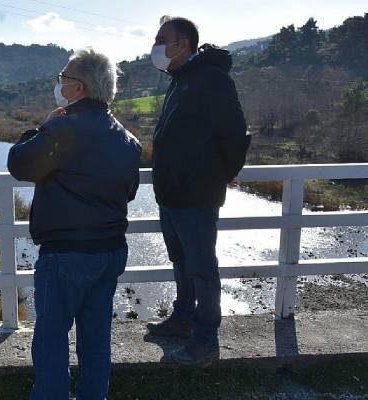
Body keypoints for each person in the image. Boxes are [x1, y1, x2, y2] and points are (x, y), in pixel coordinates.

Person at [8, 48, 142, 400]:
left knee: (52, 340)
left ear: (78, 88)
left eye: (62, 79)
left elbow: (20, 164)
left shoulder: (64, 128)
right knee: (96, 342)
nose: (59, 84)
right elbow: (128, 192)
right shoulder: (127, 140)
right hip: (110, 251)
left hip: (66, 254)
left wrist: (45, 125)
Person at [145, 16, 251, 365]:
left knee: (202, 269)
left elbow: (235, 136)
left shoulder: (211, 80)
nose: (156, 46)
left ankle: (206, 341)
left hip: (196, 196)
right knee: (181, 262)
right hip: (171, 194)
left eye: (162, 39)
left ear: (183, 44)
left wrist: (219, 177)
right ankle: (183, 319)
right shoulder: (181, 80)